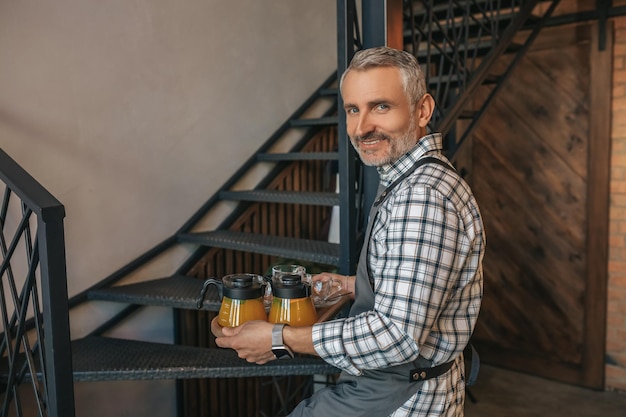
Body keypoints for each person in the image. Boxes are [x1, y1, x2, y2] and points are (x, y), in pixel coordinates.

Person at [212, 46, 485, 416]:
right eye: (353, 110)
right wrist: (351, 284)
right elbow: (428, 285)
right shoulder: (419, 178)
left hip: (402, 396)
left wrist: (278, 339)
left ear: (422, 110)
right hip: (402, 384)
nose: (361, 127)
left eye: (381, 106)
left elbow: (396, 337)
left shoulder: (421, 197)